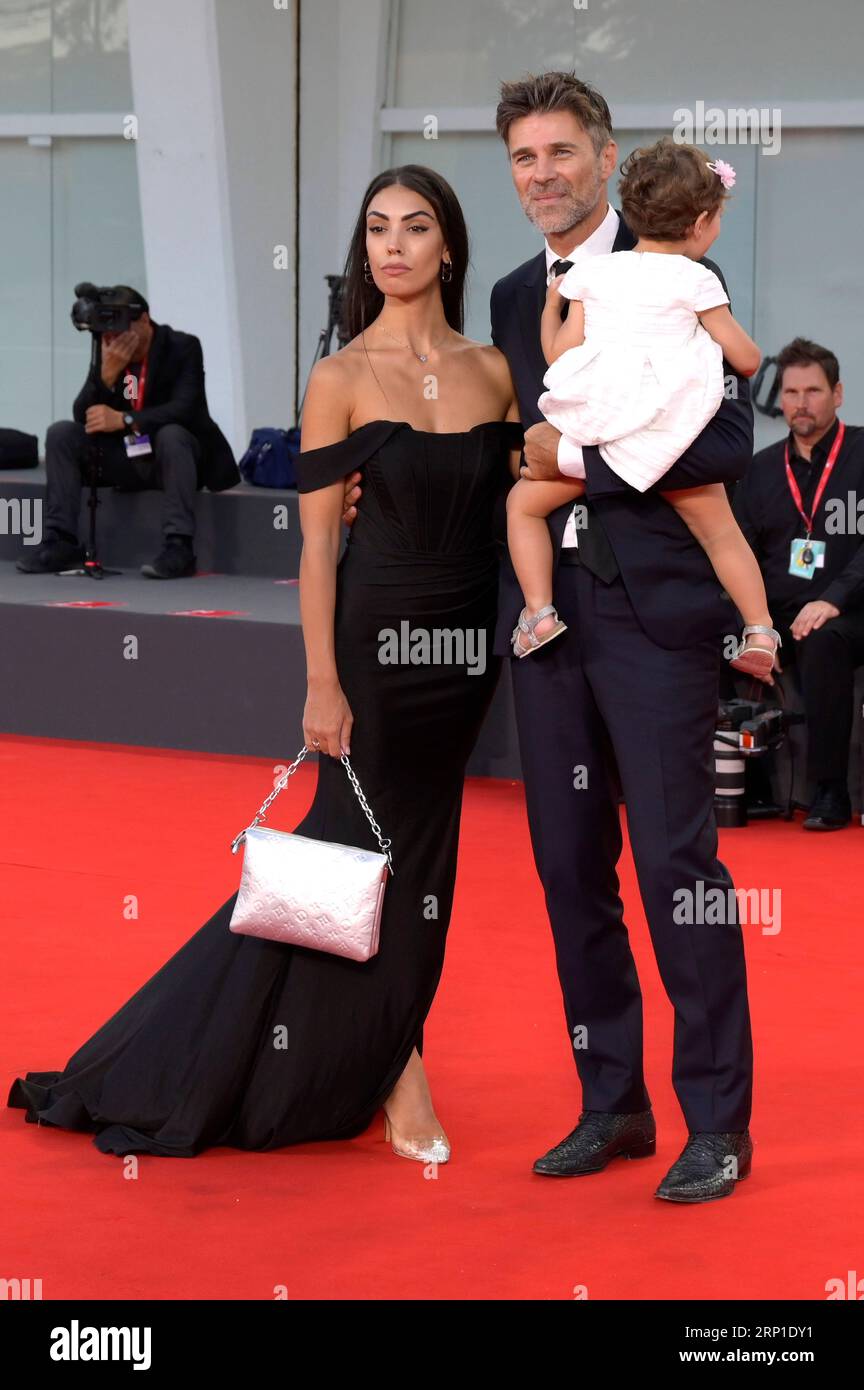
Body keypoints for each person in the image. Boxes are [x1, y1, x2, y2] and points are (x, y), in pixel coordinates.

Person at [7, 167, 524, 1161]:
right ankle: (397, 1067)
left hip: (464, 653)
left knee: (422, 861)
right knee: (353, 851)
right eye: (376, 228)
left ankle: (368, 1049)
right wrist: (320, 680)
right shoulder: (339, 378)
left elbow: (513, 498)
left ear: (447, 246)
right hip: (373, 648)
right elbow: (317, 544)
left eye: (415, 228)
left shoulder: (492, 370)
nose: (394, 246)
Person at [506, 138, 779, 682]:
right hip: (668, 438)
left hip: (599, 436)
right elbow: (747, 361)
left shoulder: (594, 275)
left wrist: (552, 304)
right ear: (702, 222)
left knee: (522, 505)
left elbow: (558, 353)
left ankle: (538, 613)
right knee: (722, 531)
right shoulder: (698, 279)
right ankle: (760, 630)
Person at [16, 287, 238, 580]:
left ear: (144, 320)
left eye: (122, 329)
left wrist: (125, 418)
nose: (115, 339)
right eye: (110, 331)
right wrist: (106, 376)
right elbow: (83, 416)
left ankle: (178, 547)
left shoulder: (182, 346)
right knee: (62, 434)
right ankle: (60, 541)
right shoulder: (110, 351)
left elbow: (186, 408)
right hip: (125, 457)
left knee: (172, 434)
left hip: (169, 459)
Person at [734, 337, 864, 830]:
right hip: (781, 613)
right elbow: (739, 551)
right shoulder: (761, 469)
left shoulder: (862, 452)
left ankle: (829, 791)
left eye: (813, 390)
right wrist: (753, 624)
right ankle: (748, 787)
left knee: (825, 642)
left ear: (838, 393)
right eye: (791, 392)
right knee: (718, 637)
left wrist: (834, 598)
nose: (800, 403)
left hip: (850, 611)